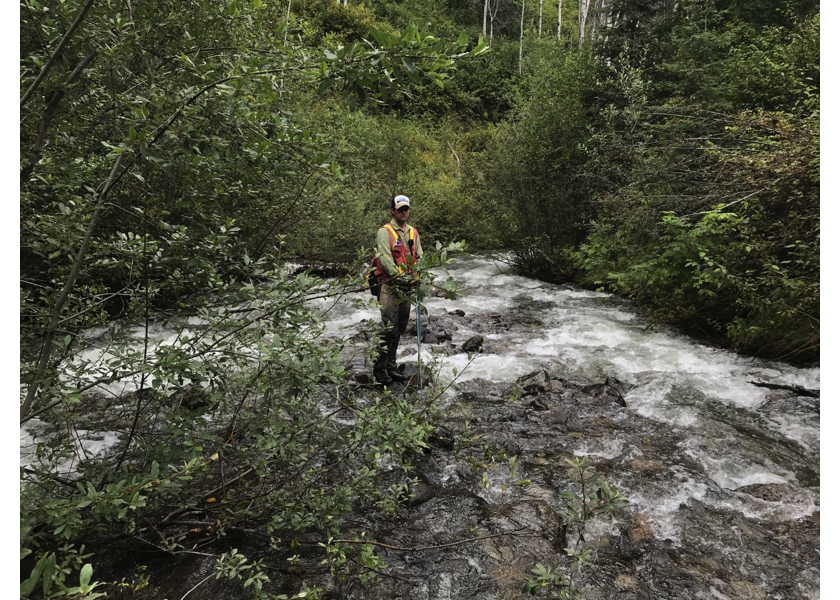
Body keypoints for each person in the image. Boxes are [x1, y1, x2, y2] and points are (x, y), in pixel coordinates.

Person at [371, 194, 423, 385]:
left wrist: (418, 278)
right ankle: (379, 368)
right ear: (393, 211)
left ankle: (391, 367)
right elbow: (385, 259)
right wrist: (402, 279)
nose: (404, 212)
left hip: (407, 289)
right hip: (389, 286)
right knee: (388, 328)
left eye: (406, 208)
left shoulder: (413, 233)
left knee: (399, 328)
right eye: (400, 209)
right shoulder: (384, 232)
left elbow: (420, 256)